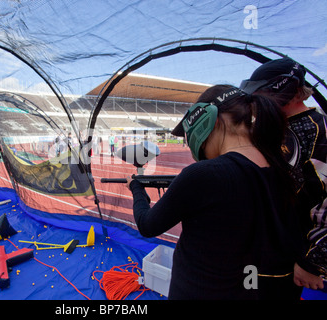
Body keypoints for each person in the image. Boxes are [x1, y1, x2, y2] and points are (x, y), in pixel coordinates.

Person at [127, 85, 303, 300]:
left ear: (212, 121)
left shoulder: (204, 174)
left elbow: (148, 224)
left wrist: (136, 188)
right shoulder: (283, 170)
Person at [241, 58, 326, 291]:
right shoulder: (277, 128)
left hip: (299, 255)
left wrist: (312, 261)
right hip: (277, 249)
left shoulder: (318, 129)